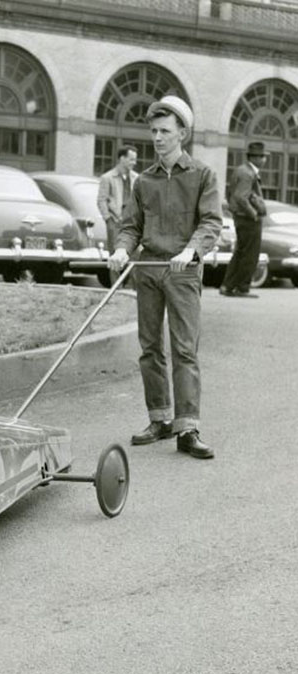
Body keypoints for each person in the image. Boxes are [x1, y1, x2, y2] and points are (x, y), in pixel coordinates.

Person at [108, 95, 222, 460]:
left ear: (182, 134)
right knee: (150, 348)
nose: (157, 138)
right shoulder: (144, 181)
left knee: (184, 350)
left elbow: (211, 222)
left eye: (164, 131)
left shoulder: (203, 175)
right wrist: (123, 249)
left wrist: (192, 250)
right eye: (154, 131)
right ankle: (158, 419)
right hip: (149, 270)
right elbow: (130, 226)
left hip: (183, 271)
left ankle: (187, 428)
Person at [220, 141, 268, 297]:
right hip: (247, 219)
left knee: (240, 252)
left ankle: (228, 286)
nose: (264, 160)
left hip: (240, 217)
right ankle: (242, 287)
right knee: (250, 254)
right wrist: (253, 213)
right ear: (255, 158)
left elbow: (232, 194)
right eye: (262, 157)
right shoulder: (248, 173)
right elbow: (241, 196)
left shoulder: (240, 171)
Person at [97, 145, 138, 255]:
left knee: (133, 256)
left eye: (135, 160)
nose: (134, 163)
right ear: (122, 158)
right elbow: (101, 200)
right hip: (116, 222)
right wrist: (108, 220)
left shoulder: (136, 178)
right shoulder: (108, 178)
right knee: (115, 257)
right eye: (131, 159)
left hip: (132, 223)